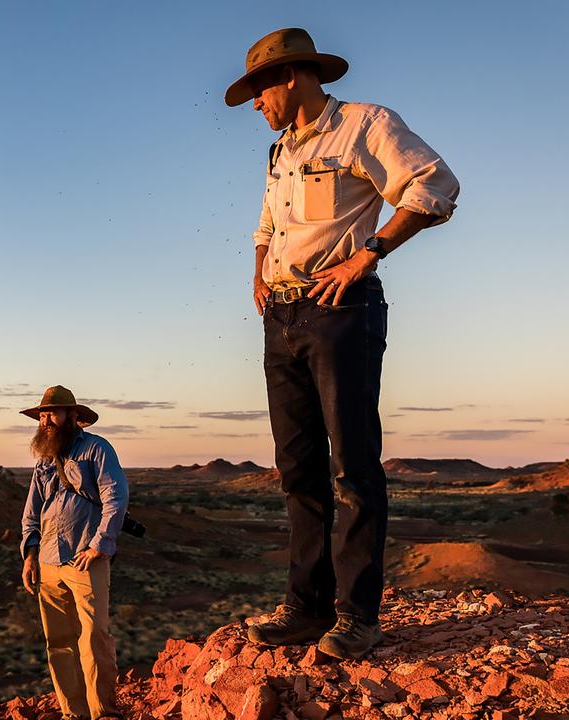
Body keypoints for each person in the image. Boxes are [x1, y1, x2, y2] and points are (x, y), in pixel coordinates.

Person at [224, 28, 460, 659]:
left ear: (294, 77)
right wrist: (258, 271)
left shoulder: (363, 125)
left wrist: (368, 255)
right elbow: (269, 222)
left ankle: (358, 617)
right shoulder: (279, 151)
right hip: (281, 317)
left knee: (352, 468)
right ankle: (306, 609)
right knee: (297, 470)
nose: (255, 105)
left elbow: (434, 186)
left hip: (340, 312)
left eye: (259, 90)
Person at [18, 385, 128, 720]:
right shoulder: (44, 457)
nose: (45, 420)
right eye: (42, 414)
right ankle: (73, 713)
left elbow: (116, 496)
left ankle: (103, 713)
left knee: (94, 639)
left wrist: (99, 545)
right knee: (59, 643)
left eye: (52, 413)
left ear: (73, 416)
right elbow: (32, 509)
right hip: (48, 562)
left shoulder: (96, 448)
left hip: (85, 559)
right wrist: (29, 554)